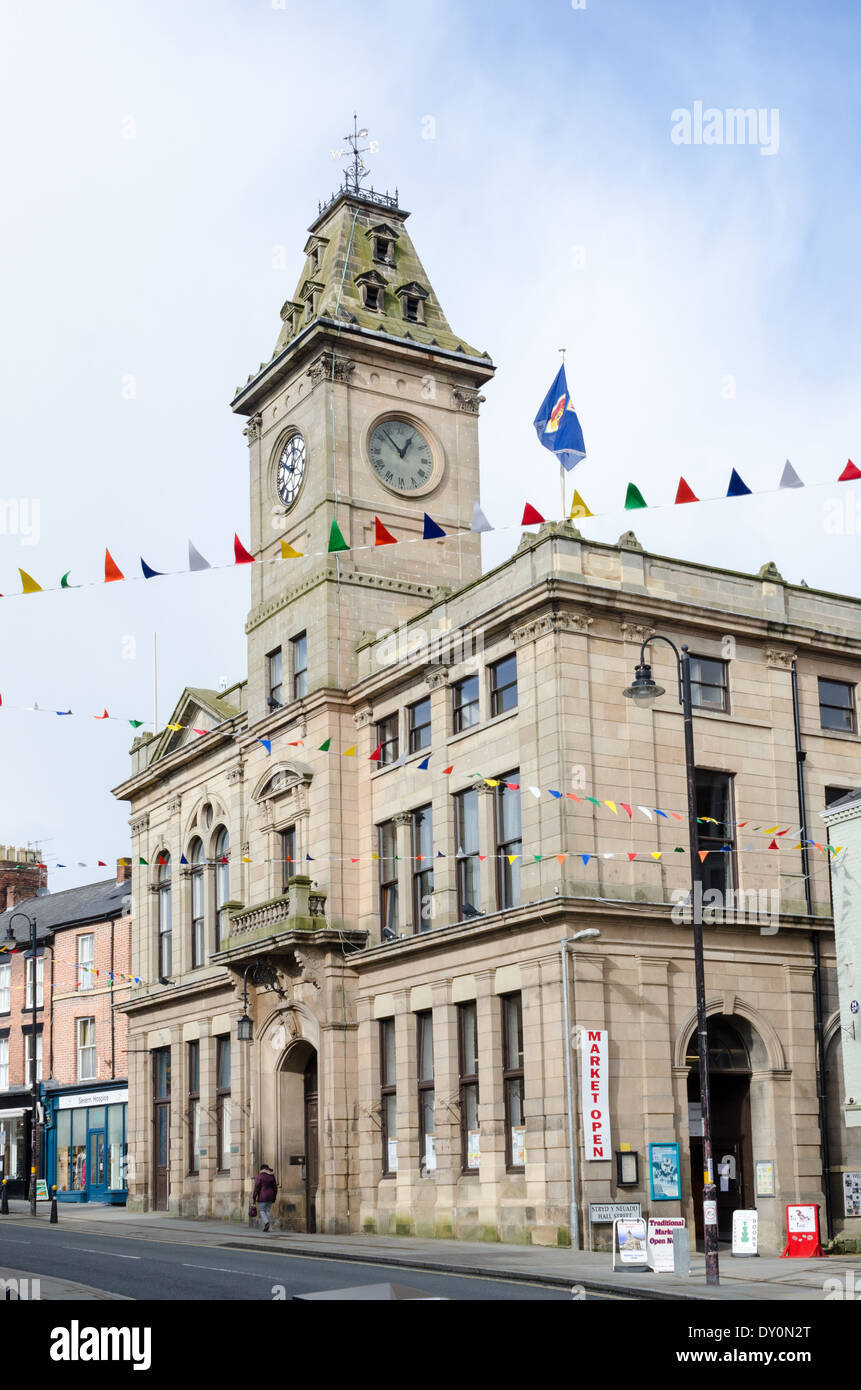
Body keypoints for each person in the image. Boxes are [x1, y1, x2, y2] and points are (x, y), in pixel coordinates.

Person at [253, 1164, 278, 1232]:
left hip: (262, 1196)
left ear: (261, 1169)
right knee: (267, 1211)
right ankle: (267, 1227)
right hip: (270, 1195)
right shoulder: (271, 1176)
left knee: (261, 1210)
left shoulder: (260, 1176)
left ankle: (266, 1223)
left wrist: (254, 1197)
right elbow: (275, 1188)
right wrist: (274, 1197)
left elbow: (257, 1188)